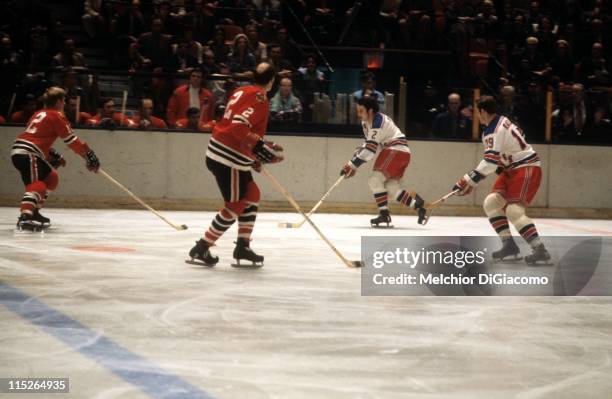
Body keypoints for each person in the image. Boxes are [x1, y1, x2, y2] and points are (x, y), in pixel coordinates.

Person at [188, 62, 283, 267]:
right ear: (272, 81)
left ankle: (243, 246)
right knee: (236, 205)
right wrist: (260, 150)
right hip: (229, 159)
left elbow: (238, 126)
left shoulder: (241, 90)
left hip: (229, 156)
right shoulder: (260, 98)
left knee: (252, 194)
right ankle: (202, 247)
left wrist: (259, 147)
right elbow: (238, 126)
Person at [452, 96, 550, 264]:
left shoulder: (494, 129)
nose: (476, 116)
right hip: (511, 169)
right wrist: (472, 182)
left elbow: (490, 163)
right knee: (491, 203)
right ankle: (509, 246)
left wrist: (466, 180)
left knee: (514, 211)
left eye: (477, 112)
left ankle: (540, 249)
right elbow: (496, 163)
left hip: (526, 167)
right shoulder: (499, 123)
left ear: (482, 111)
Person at [10, 87, 100, 231]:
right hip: (28, 153)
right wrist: (89, 156)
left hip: (25, 150)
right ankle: (25, 216)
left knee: (51, 178)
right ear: (59, 101)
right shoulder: (57, 116)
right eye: (64, 101)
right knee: (36, 185)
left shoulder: (38, 113)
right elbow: (72, 141)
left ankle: (35, 211)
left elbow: (36, 138)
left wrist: (52, 155)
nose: (64, 104)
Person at [340, 96, 427, 227]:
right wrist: (356, 159)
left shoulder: (378, 122)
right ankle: (419, 207)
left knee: (375, 180)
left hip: (396, 151)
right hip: (400, 152)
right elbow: (370, 144)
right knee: (391, 189)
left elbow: (370, 150)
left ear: (370, 111)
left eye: (361, 111)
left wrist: (351, 165)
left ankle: (384, 214)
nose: (358, 114)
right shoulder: (366, 123)